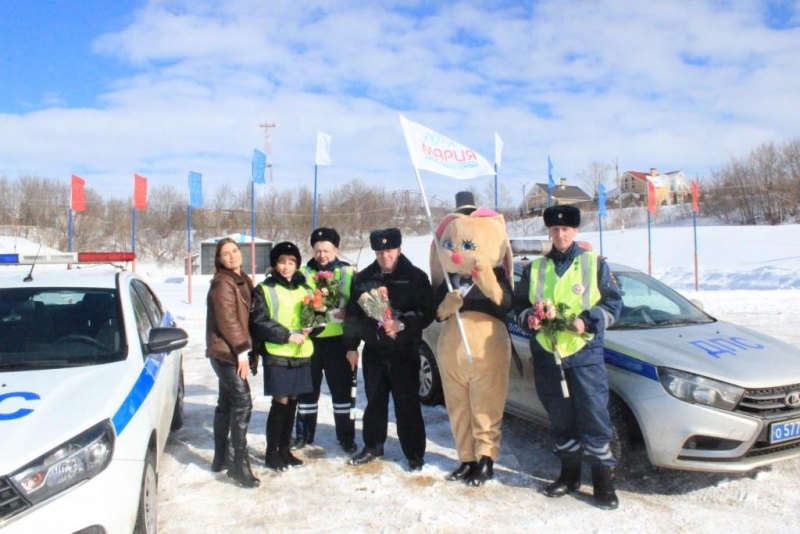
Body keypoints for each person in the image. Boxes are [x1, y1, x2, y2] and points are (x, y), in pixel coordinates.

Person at [513, 204, 622, 510]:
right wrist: (528, 320)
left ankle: (603, 483)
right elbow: (519, 306)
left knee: (594, 417)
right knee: (560, 419)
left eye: (565, 230)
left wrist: (586, 321)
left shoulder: (593, 264)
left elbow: (614, 305)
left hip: (584, 354)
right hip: (548, 355)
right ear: (549, 232)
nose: (559, 235)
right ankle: (569, 476)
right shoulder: (536, 268)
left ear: (575, 231)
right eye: (554, 230)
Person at [344, 228, 435, 471]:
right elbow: (353, 315)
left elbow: (427, 312)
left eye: (389, 250)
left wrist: (401, 323)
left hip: (404, 351)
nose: (385, 255)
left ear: (399, 249)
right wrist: (351, 347)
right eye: (380, 251)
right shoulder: (364, 278)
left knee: (407, 404)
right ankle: (373, 445)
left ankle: (414, 453)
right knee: (374, 401)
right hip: (374, 351)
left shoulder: (415, 277)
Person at [250, 241, 318, 472]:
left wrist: (312, 327)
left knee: (293, 402)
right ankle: (272, 453)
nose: (286, 266)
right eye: (282, 261)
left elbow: (315, 316)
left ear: (297, 264)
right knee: (280, 403)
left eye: (291, 262)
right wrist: (286, 335)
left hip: (301, 352)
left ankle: (285, 449)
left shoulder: (305, 289)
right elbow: (259, 321)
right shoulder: (264, 289)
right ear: (274, 264)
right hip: (278, 352)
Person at [291, 227, 358, 453]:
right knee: (307, 392)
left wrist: (348, 312)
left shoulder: (347, 273)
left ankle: (346, 436)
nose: (322, 255)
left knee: (341, 393)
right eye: (318, 251)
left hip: (339, 342)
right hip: (310, 342)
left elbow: (359, 305)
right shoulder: (302, 273)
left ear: (336, 250)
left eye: (327, 251)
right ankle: (303, 434)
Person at [205, 237, 260, 488]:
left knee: (226, 403)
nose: (231, 256)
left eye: (235, 251)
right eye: (225, 254)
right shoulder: (223, 283)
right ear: (219, 259)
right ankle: (239, 464)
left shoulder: (242, 279)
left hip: (230, 351)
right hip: (227, 353)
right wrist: (241, 352)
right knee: (243, 404)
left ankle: (220, 457)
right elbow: (228, 319)